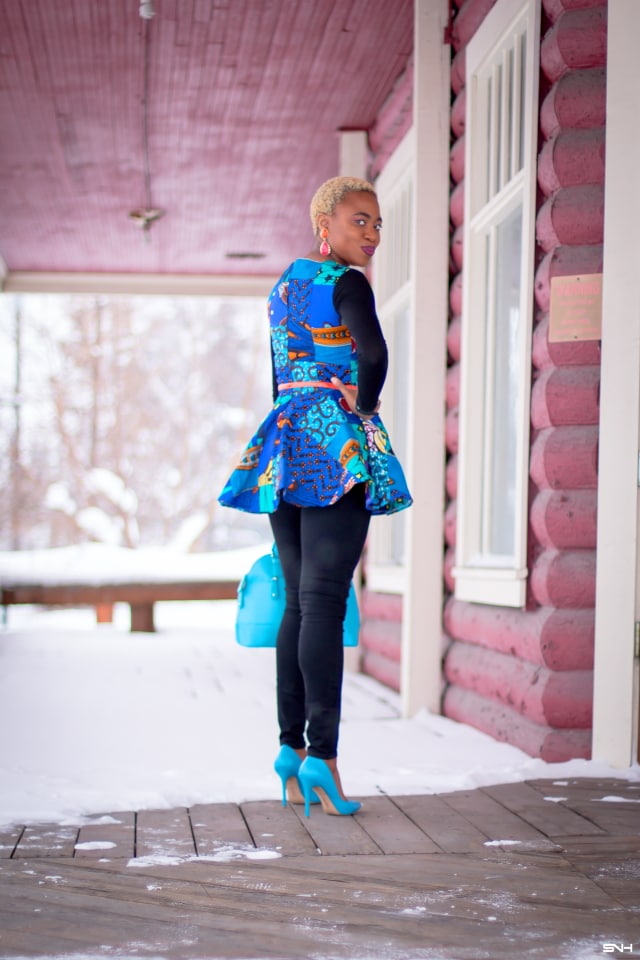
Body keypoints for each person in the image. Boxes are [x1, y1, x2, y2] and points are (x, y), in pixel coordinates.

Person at [219, 176, 412, 816]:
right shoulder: (346, 283)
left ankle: (287, 748)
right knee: (324, 601)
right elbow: (374, 353)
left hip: (285, 437)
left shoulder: (282, 288)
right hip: (335, 438)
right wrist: (368, 400)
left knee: (300, 604)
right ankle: (322, 758)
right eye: (361, 221)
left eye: (378, 223)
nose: (373, 234)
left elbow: (279, 377)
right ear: (324, 225)